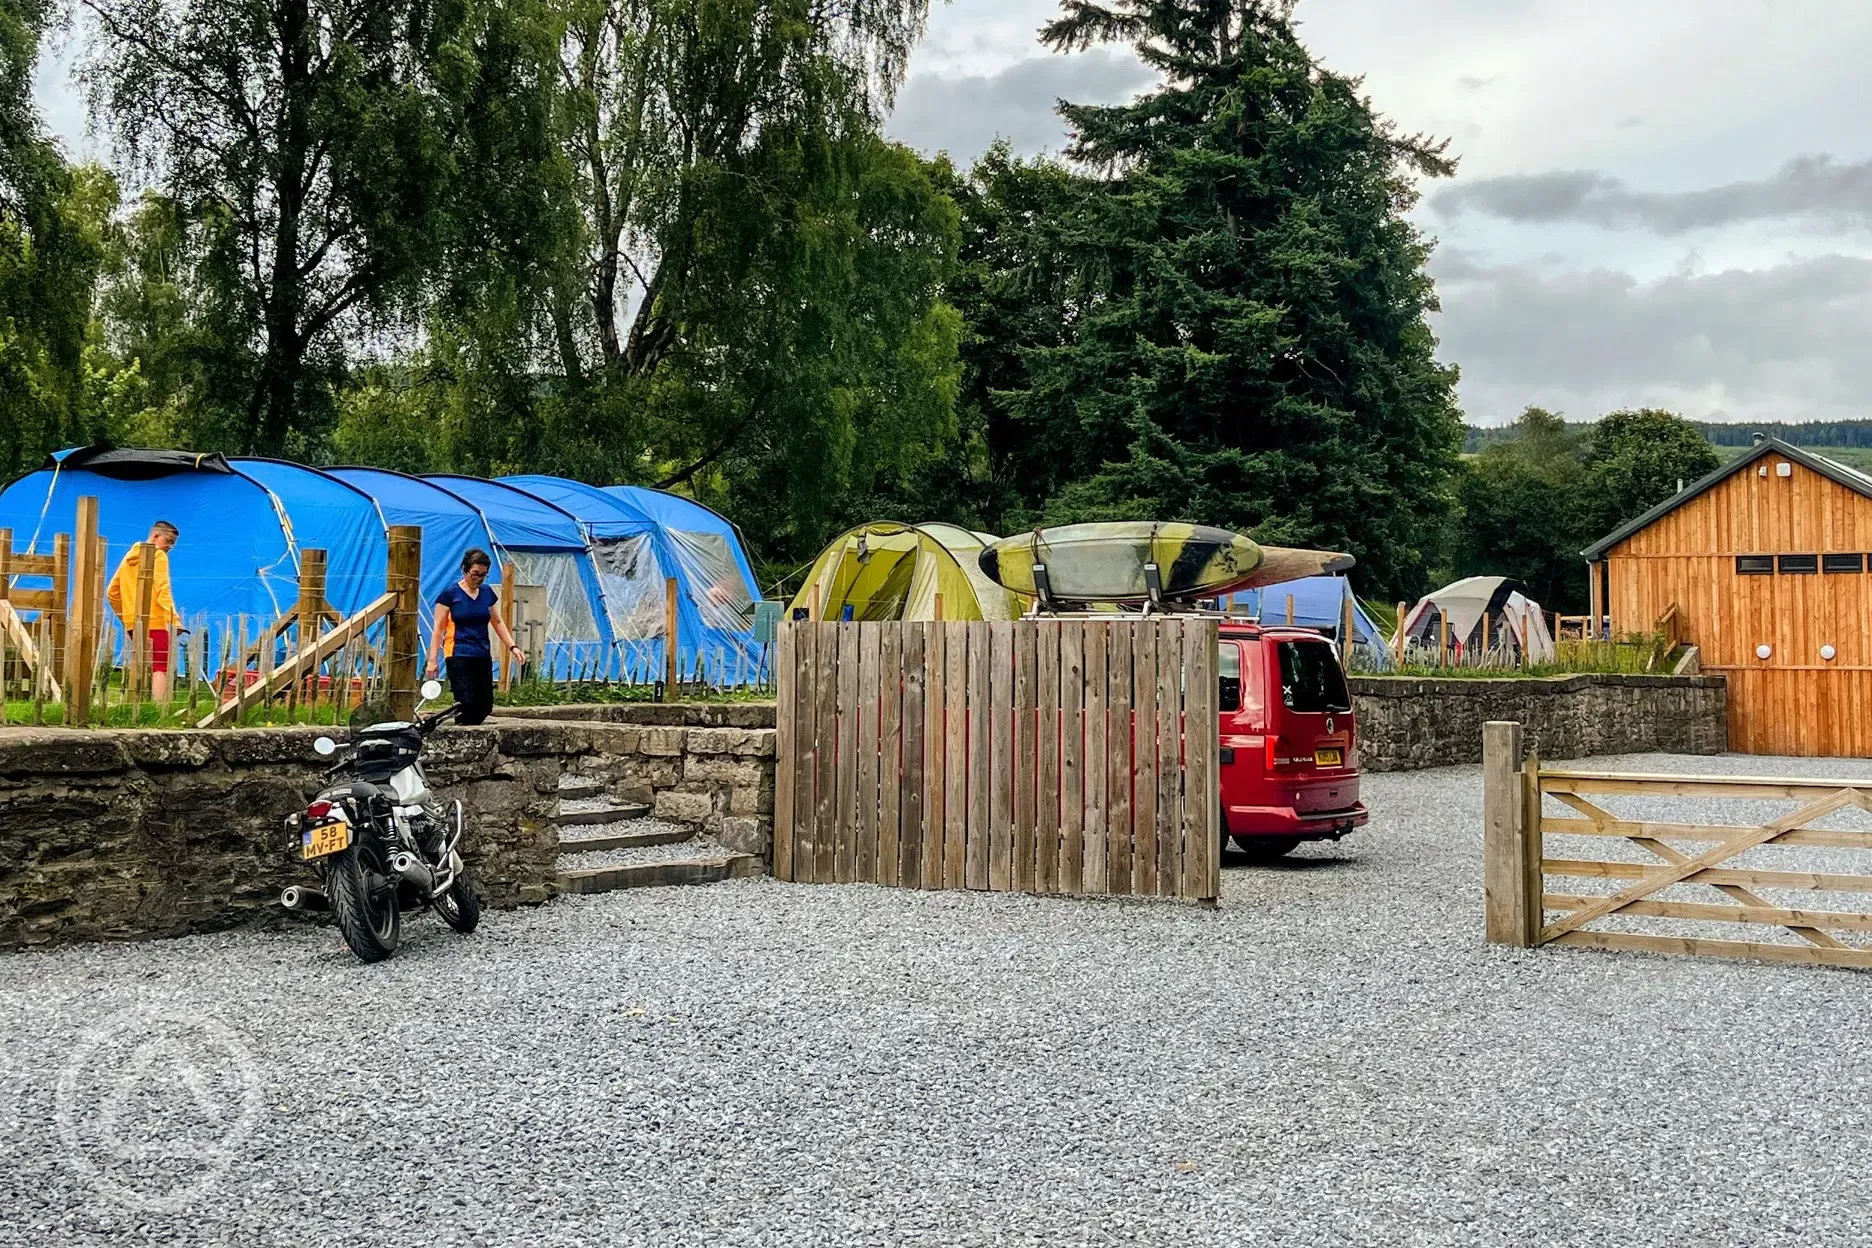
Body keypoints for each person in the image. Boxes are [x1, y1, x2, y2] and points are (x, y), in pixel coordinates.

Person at [425, 548, 526, 726]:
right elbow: (438, 630)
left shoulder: (487, 593)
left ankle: (471, 732)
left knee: (485, 704)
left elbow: (498, 622)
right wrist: (433, 660)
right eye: (475, 574)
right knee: (466, 701)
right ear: (465, 570)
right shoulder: (450, 595)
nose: (478, 579)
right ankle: (461, 735)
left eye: (483, 575)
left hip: (481, 653)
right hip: (458, 654)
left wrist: (513, 646)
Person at [106, 520, 182, 704]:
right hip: (156, 620)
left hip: (133, 620)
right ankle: (158, 709)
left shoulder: (129, 557)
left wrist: (127, 617)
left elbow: (112, 592)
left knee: (140, 662)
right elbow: (162, 588)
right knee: (159, 667)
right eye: (169, 541)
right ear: (156, 536)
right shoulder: (159, 556)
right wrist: (174, 620)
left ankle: (135, 704)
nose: (170, 547)